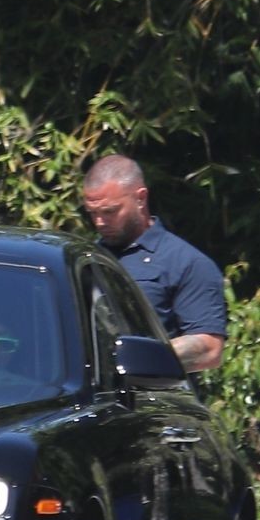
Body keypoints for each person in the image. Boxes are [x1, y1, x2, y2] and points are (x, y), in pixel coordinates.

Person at [81, 154, 227, 372]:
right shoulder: (86, 259)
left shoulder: (185, 263)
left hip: (151, 391)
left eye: (110, 211)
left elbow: (208, 349)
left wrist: (125, 360)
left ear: (140, 199)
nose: (100, 222)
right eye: (92, 213)